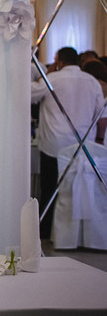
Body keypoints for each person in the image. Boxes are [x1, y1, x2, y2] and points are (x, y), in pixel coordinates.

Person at [32, 46, 104, 238]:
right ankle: (75, 234)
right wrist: (98, 140)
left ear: (60, 61)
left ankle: (46, 232)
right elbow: (100, 115)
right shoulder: (92, 82)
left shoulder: (53, 79)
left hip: (54, 144)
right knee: (78, 190)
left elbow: (29, 94)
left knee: (50, 190)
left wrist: (47, 72)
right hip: (83, 146)